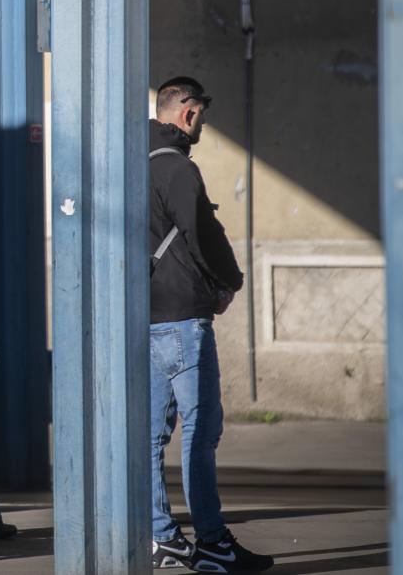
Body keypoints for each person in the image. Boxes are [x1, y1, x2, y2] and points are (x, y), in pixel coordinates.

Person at [147, 78, 273, 573]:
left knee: (151, 437)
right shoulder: (178, 170)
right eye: (200, 115)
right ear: (189, 113)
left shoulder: (131, 163)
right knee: (202, 433)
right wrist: (230, 281)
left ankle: (162, 537)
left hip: (148, 318)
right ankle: (214, 544)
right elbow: (203, 235)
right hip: (182, 319)